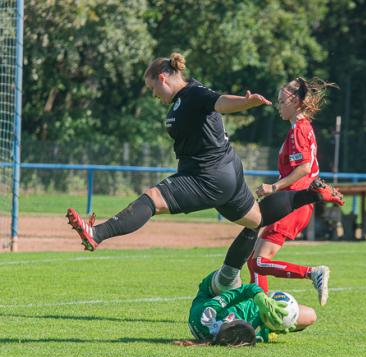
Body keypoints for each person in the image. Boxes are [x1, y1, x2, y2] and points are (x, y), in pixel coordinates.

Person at [66, 53, 343, 269]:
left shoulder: (193, 93)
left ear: (164, 77)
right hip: (226, 174)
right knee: (256, 220)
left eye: (152, 88)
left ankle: (97, 233)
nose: (153, 95)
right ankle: (311, 194)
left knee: (151, 199)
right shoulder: (181, 100)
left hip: (206, 176)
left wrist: (246, 103)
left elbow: (220, 102)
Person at [247, 77, 338, 306]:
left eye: (281, 101)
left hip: (293, 203)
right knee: (254, 261)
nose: (279, 105)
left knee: (258, 262)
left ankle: (312, 273)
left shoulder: (299, 129)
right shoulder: (301, 128)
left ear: (296, 101)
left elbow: (304, 168)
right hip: (292, 201)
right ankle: (261, 310)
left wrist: (274, 187)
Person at [186, 269, 317, 346]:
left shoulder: (206, 314)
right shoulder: (246, 333)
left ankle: (248, 234)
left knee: (233, 280)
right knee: (311, 315)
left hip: (211, 294)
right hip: (263, 312)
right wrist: (273, 329)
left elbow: (243, 290)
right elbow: (257, 334)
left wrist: (258, 295)